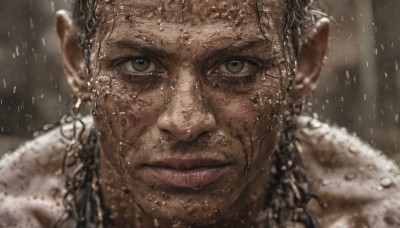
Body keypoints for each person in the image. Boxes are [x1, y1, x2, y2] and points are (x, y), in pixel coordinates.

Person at [0, 0, 399, 227]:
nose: (186, 122)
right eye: (139, 65)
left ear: (304, 64)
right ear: (77, 62)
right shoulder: (15, 215)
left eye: (236, 66)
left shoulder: (375, 217)